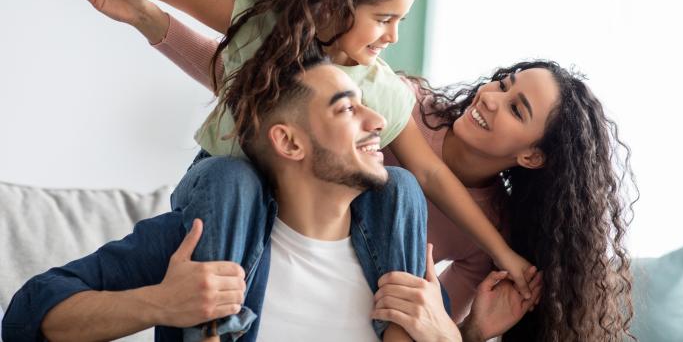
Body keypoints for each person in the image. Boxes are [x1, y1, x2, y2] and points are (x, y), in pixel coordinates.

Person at [55, 0, 537, 335]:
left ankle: (398, 329)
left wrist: (504, 254)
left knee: (402, 185)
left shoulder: (382, 90)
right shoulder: (265, 25)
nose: (392, 37)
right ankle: (217, 328)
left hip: (312, 208)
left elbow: (429, 173)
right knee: (231, 178)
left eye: (401, 21)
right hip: (225, 189)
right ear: (334, 3)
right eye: (384, 19)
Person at [3, 57, 431, 341]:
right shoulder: (203, 243)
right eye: (346, 109)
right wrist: (161, 303)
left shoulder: (395, 256)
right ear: (289, 142)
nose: (377, 120)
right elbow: (27, 314)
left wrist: (460, 331)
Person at [374, 62, 637, 340]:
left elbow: (428, 325)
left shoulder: (495, 226)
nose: (489, 97)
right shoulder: (405, 103)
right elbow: (428, 173)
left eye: (515, 109)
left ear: (531, 157)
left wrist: (474, 330)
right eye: (502, 85)